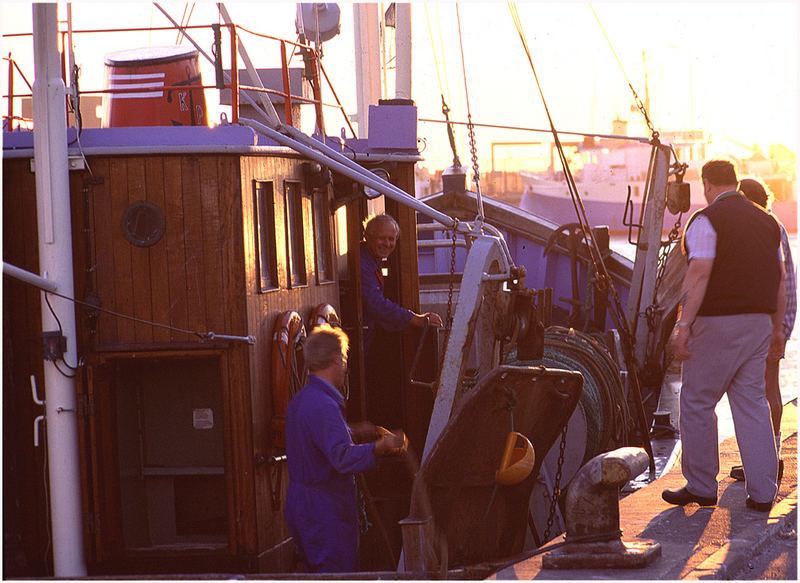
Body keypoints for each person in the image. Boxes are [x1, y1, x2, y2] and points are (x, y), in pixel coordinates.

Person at [662, 158, 786, 512]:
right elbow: (778, 280)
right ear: (735, 181)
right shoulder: (768, 222)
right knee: (752, 405)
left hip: (718, 323)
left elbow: (699, 273)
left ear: (707, 184)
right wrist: (776, 328)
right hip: (758, 325)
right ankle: (762, 492)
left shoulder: (706, 221)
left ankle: (701, 486)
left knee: (698, 401)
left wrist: (684, 325)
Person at [284, 324, 405, 573]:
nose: (345, 364)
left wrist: (353, 431)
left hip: (303, 506)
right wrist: (382, 446)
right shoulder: (325, 405)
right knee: (337, 574)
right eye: (345, 358)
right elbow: (342, 458)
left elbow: (315, 443)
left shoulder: (302, 400)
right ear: (337, 359)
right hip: (324, 511)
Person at [728, 177, 796, 483]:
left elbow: (772, 278)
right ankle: (771, 457)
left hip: (768, 318)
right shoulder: (775, 225)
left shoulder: (761, 227)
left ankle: (763, 461)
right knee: (768, 386)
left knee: (756, 390)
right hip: (779, 317)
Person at [360, 213, 443, 353]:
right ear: (367, 236)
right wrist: (414, 318)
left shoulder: (372, 260)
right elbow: (376, 304)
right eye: (381, 238)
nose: (387, 244)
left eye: (391, 239)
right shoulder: (362, 264)